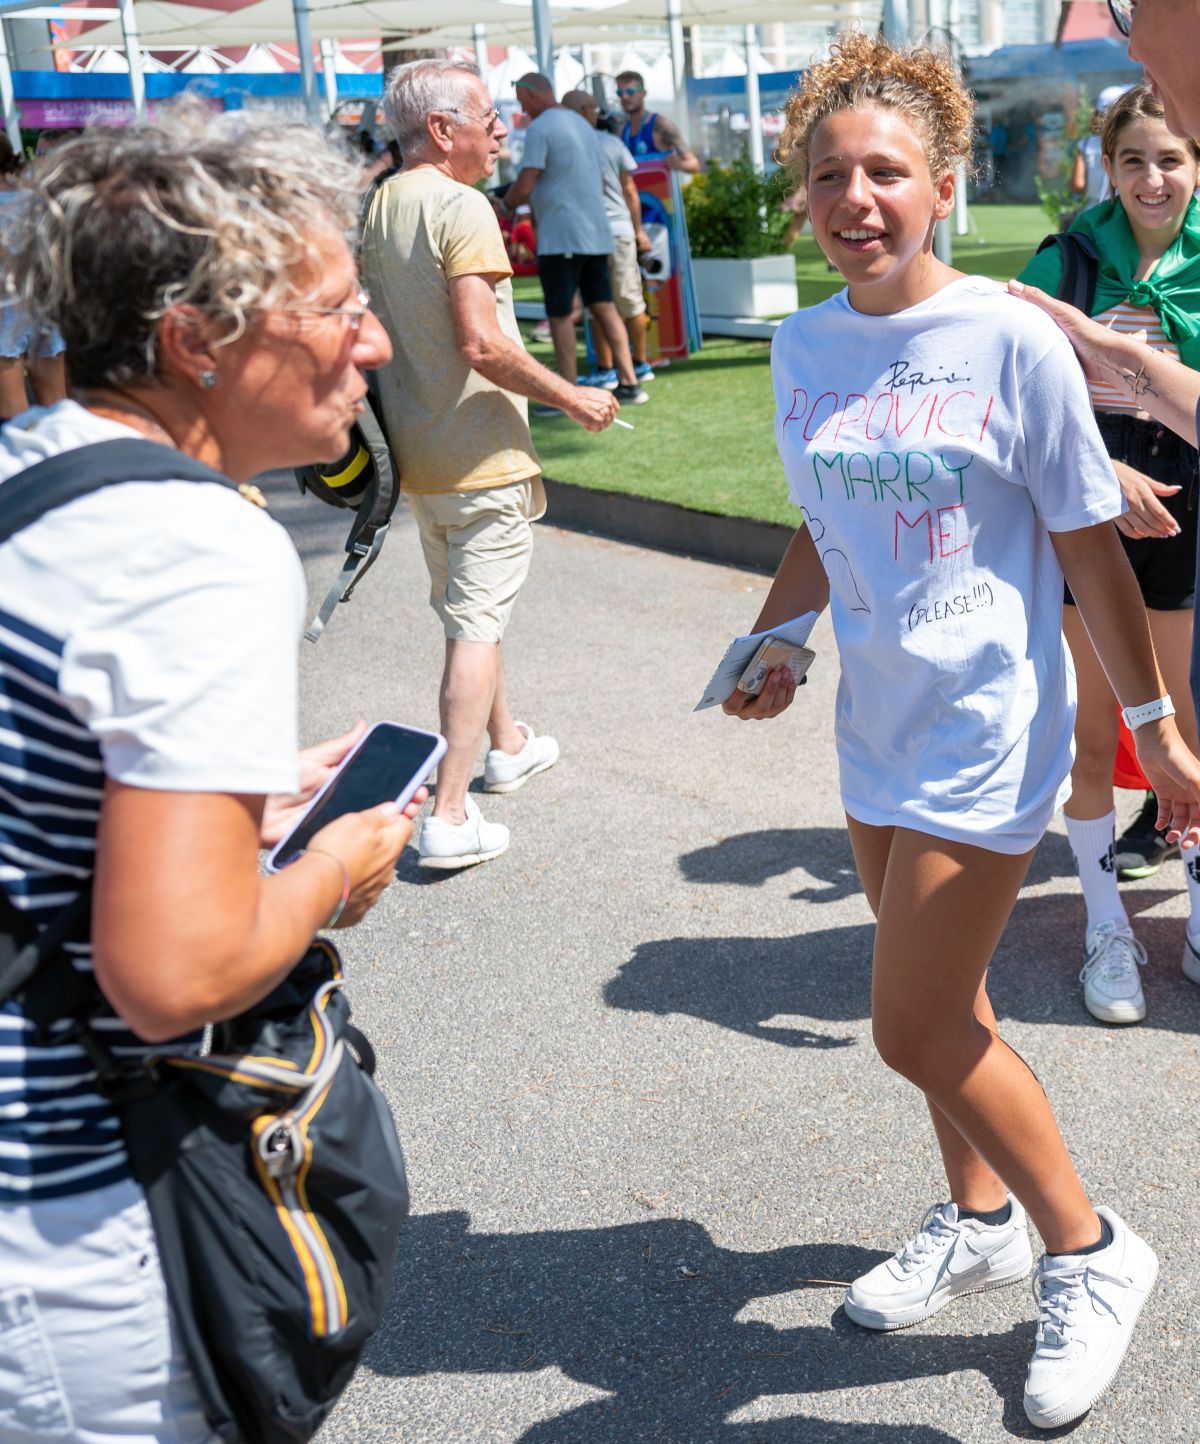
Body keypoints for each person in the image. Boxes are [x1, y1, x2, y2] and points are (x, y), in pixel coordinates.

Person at [726, 33, 1200, 1431]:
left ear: (943, 185)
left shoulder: (1008, 334)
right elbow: (824, 523)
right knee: (949, 1009)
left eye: (885, 171)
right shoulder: (804, 346)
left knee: (911, 1020)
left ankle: (1091, 1248)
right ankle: (976, 1215)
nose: (853, 197)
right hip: (875, 717)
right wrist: (772, 639)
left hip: (990, 723)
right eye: (827, 175)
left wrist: (1158, 731)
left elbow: (1091, 547)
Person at [0, 102, 420, 1440]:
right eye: (340, 307)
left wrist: (232, 798)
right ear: (194, 341)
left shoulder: (36, 471)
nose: (376, 341)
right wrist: (330, 863)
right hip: (72, 1217)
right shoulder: (195, 543)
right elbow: (176, 975)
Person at [360, 60, 616, 869]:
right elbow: (481, 341)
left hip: (420, 457)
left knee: (473, 613)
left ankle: (506, 744)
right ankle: (449, 812)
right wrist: (572, 397)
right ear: (442, 129)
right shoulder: (461, 205)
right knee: (474, 626)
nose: (503, 128)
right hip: (479, 456)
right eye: (486, 115)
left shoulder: (381, 204)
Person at [1017, 86, 1200, 1023]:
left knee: (1190, 729)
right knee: (1103, 731)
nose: (1152, 177)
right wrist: (1101, 476)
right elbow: (1018, 388)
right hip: (1091, 503)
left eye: (1170, 158)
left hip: (1191, 506)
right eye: (1133, 160)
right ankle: (1107, 928)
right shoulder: (1071, 257)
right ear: (1108, 165)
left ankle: (1197, 914)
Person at [500, 73, 647, 408]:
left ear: (534, 95)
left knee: (560, 314)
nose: (522, 108)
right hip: (595, 234)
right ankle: (631, 381)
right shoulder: (583, 126)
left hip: (562, 236)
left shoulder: (541, 127)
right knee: (604, 305)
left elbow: (527, 181)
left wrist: (505, 205)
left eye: (523, 100)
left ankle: (566, 392)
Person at [561, 89, 655, 388]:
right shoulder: (611, 143)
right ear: (590, 111)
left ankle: (608, 368)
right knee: (627, 303)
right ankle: (637, 365)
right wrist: (639, 230)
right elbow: (630, 191)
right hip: (616, 232)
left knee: (598, 305)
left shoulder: (566, 145)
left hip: (589, 236)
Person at [0, 134, 66, 421]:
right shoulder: (35, 196)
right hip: (45, 303)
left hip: (5, 312)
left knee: (14, 414)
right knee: (57, 405)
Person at [615, 70, 700, 173]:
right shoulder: (621, 131)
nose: (624, 97)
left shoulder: (660, 125)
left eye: (630, 92)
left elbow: (694, 164)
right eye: (620, 93)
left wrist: (678, 164)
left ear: (643, 93)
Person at [1069, 86, 1130, 213]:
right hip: (1125, 210)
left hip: (1093, 211)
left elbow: (1077, 184)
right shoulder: (1133, 143)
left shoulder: (1085, 144)